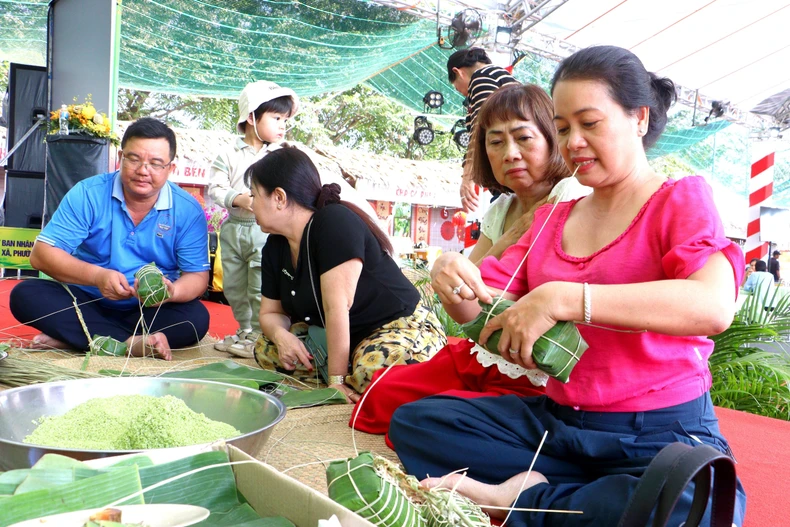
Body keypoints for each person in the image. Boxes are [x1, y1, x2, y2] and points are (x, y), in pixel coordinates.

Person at [388, 45, 747, 526]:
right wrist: (451, 276)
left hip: (660, 432)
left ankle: (522, 498)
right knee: (419, 424)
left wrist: (564, 298)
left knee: (690, 507)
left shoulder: (678, 200)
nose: (573, 141)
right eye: (561, 129)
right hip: (559, 424)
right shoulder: (552, 218)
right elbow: (478, 310)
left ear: (639, 118)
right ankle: (576, 500)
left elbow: (713, 304)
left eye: (589, 123)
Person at [351, 83, 586, 437]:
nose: (510, 153)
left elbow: (487, 285)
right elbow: (467, 297)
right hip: (484, 352)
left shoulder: (571, 195)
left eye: (524, 138)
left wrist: (470, 271)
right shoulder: (501, 208)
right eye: (495, 142)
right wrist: (450, 265)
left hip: (536, 367)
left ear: (554, 139)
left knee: (427, 427)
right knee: (376, 399)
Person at [249, 147, 446, 402]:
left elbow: (336, 309)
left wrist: (336, 383)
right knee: (266, 349)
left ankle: (351, 374)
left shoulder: (333, 222)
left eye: (254, 195)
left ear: (279, 197)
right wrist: (282, 336)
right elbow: (270, 313)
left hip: (396, 326)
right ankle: (351, 367)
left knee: (374, 373)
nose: (250, 203)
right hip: (341, 338)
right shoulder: (275, 246)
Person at [10, 117, 210, 360]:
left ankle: (80, 337)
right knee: (26, 295)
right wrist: (98, 277)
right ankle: (127, 342)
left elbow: (197, 276)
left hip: (147, 311)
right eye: (134, 159)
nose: (143, 170)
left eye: (156, 163)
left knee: (196, 319)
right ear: (120, 158)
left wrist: (172, 293)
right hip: (85, 300)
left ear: (170, 169)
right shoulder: (88, 193)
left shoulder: (187, 209)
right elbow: (41, 255)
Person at [209, 80, 300, 357]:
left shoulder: (283, 155)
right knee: (235, 287)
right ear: (251, 117)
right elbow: (214, 187)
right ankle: (245, 331)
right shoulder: (227, 154)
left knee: (260, 287)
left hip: (267, 232)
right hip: (233, 228)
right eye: (276, 118)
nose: (283, 125)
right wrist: (240, 199)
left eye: (285, 119)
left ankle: (261, 336)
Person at [447, 47, 518, 212]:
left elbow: (480, 127)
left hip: (510, 177)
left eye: (458, 88)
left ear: (458, 72)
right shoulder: (503, 78)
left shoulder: (481, 77)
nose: (464, 94)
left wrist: (468, 176)